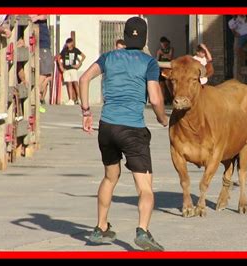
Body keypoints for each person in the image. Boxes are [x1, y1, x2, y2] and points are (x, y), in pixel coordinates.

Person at [79, 16, 168, 251]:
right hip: (133, 130)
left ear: (126, 35)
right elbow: (156, 99)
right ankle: (143, 231)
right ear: (145, 37)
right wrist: (162, 118)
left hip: (107, 127)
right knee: (145, 187)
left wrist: (86, 111)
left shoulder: (109, 57)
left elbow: (84, 78)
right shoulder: (149, 63)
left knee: (110, 177)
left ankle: (100, 227)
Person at [30, 15, 54, 108]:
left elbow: (46, 15)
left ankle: (37, 95)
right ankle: (35, 96)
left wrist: (37, 17)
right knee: (44, 74)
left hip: (45, 45)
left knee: (48, 76)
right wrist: (35, 17)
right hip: (41, 45)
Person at [58, 38, 86, 105]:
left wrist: (78, 64)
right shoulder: (64, 50)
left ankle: (79, 98)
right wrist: (61, 66)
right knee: (69, 83)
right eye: (67, 43)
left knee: (75, 83)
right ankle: (71, 100)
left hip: (73, 69)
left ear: (72, 43)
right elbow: (58, 58)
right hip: (66, 69)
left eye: (69, 43)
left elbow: (83, 56)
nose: (68, 45)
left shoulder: (75, 50)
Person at [156, 36, 174, 104]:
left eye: (164, 44)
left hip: (168, 68)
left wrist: (163, 54)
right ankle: (163, 99)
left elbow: (170, 57)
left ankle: (172, 97)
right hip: (161, 69)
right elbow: (157, 59)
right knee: (161, 84)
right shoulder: (159, 50)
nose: (163, 46)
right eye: (162, 44)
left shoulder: (171, 49)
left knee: (168, 83)